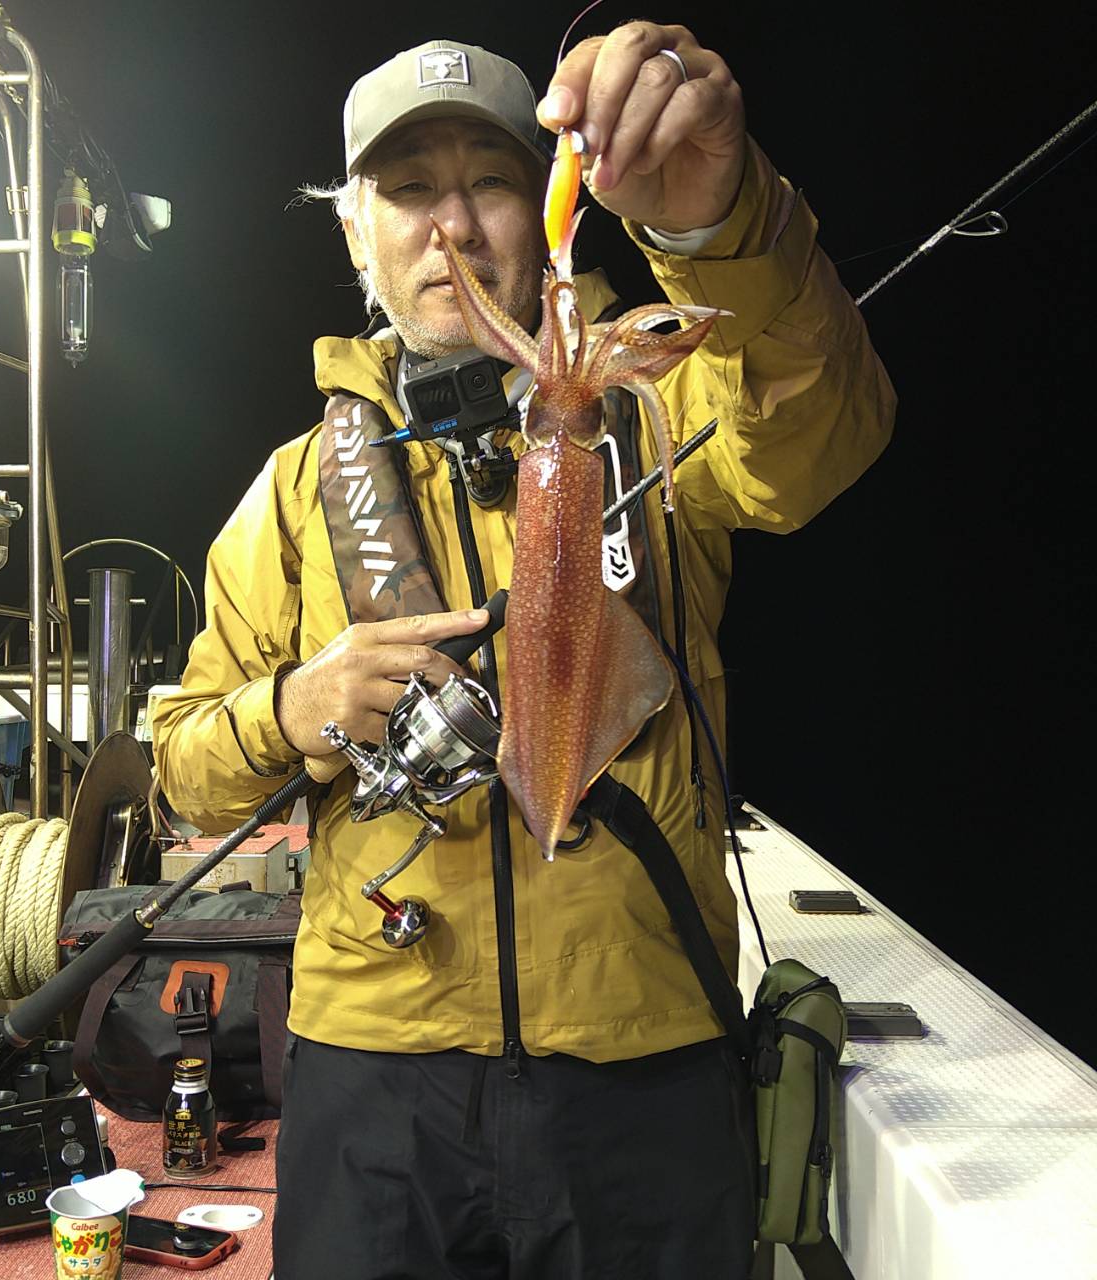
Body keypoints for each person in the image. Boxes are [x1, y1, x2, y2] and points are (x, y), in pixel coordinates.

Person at [153, 22, 894, 1279]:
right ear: (355, 232)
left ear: (548, 214)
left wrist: (726, 220)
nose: (452, 223)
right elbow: (182, 769)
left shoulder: (657, 410)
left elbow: (821, 429)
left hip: (642, 1056)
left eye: (491, 181)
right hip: (375, 1076)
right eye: (409, 189)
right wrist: (293, 706)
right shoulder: (290, 495)